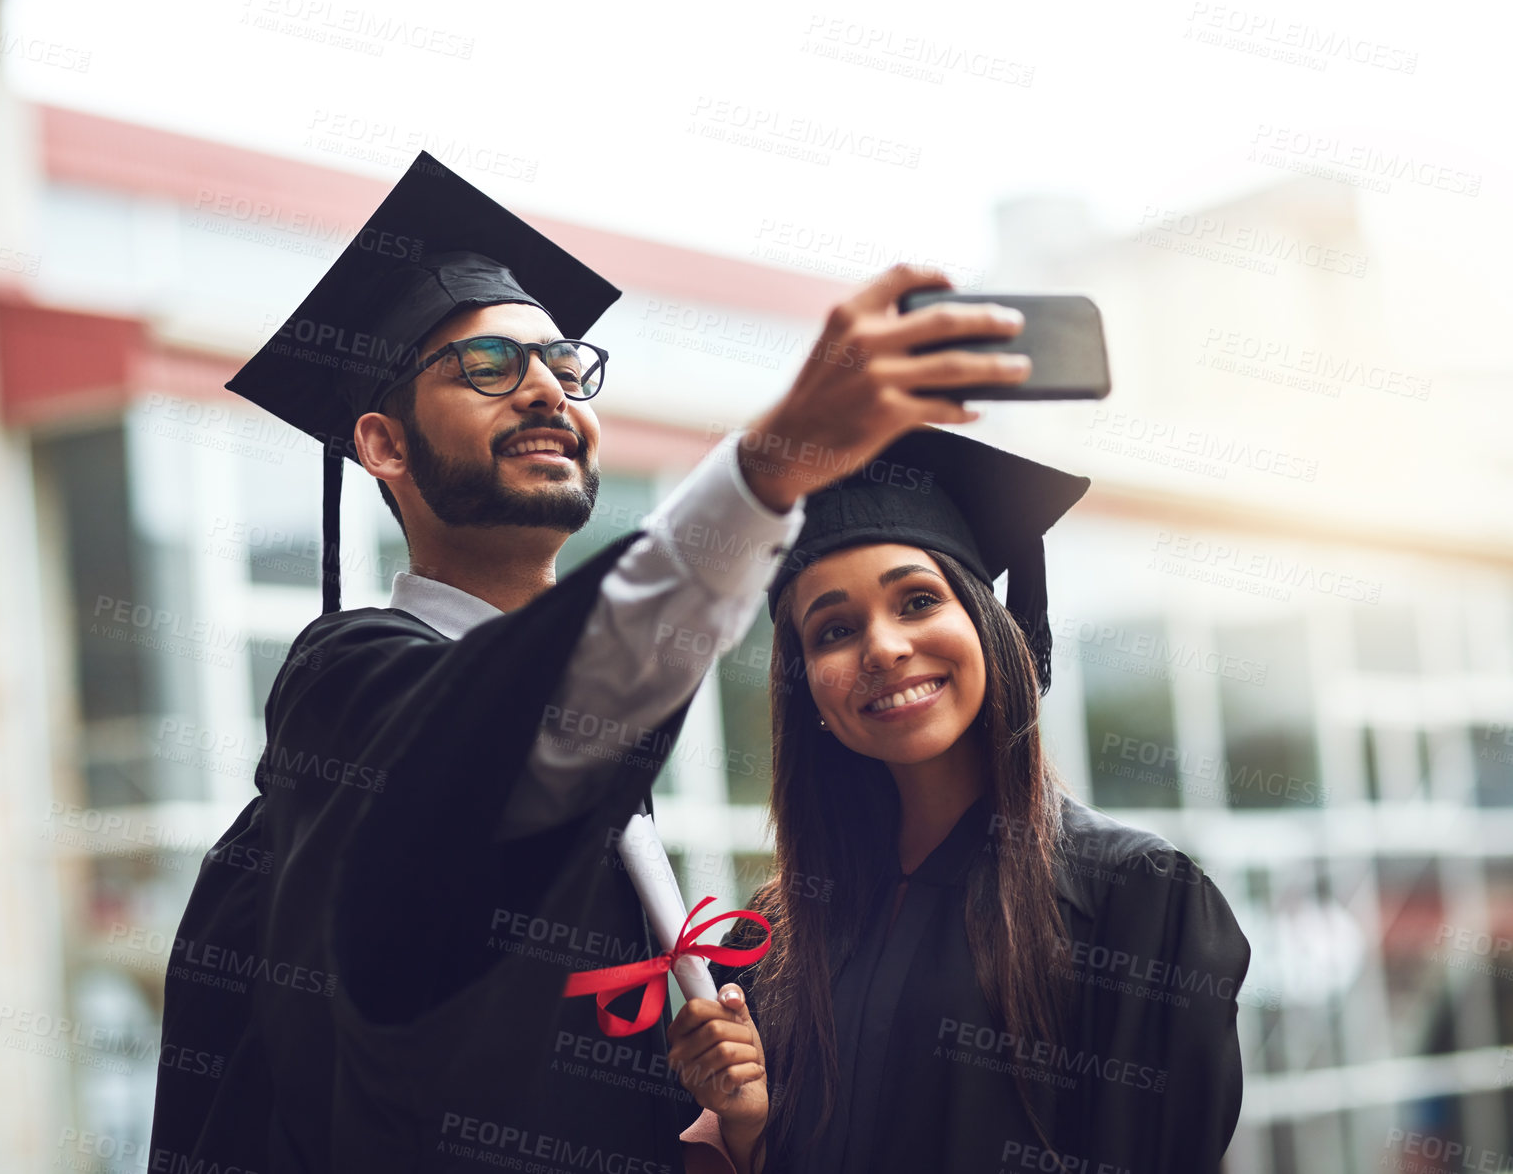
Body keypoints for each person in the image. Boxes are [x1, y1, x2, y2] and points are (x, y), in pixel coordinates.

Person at [146, 148, 1033, 1173]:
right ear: (383, 445)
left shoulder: (602, 757)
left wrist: (721, 1111)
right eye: (487, 365)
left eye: (566, 369)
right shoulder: (352, 691)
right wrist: (774, 459)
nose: (546, 392)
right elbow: (512, 734)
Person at [684, 428, 1253, 1173]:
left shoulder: (1134, 897)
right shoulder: (772, 937)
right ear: (807, 689)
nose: (882, 648)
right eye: (834, 629)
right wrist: (749, 1129)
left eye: (917, 600)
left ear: (986, 625)